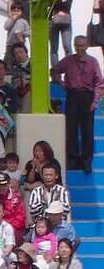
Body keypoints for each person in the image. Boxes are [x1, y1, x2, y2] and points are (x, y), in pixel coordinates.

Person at [51, 35, 102, 174]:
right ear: (74, 46)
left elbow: (99, 83)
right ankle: (73, 161)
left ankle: (86, 162)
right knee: (71, 129)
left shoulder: (93, 62)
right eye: (77, 45)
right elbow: (54, 70)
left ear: (87, 46)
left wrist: (95, 101)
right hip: (72, 95)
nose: (80, 48)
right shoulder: (68, 60)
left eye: (82, 45)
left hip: (87, 96)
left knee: (87, 131)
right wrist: (61, 83)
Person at [0, 172, 26, 245]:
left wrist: (7, 227)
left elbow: (20, 218)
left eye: (4, 185)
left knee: (16, 236)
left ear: (9, 184)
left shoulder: (17, 197)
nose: (1, 187)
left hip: (12, 227)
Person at [49, 0, 73, 67]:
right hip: (53, 22)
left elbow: (67, 5)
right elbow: (51, 5)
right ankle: (55, 70)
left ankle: (70, 67)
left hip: (66, 22)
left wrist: (56, 3)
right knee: (54, 47)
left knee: (67, 45)